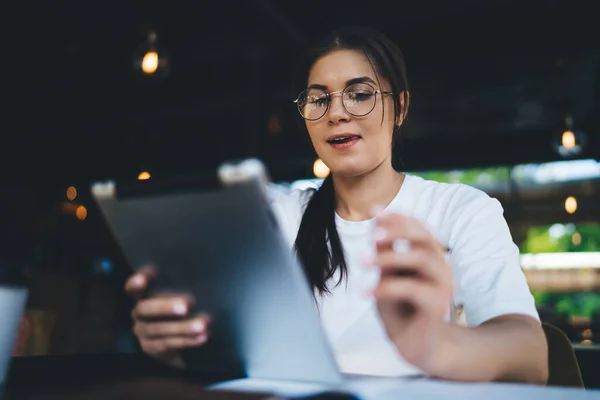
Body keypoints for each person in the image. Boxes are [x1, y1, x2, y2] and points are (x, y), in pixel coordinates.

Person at [125, 26, 548, 384]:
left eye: (359, 94)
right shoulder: (277, 217)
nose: (337, 114)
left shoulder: (461, 210)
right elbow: (225, 342)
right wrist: (178, 340)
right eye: (318, 99)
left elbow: (531, 356)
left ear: (399, 107)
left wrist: (433, 344)